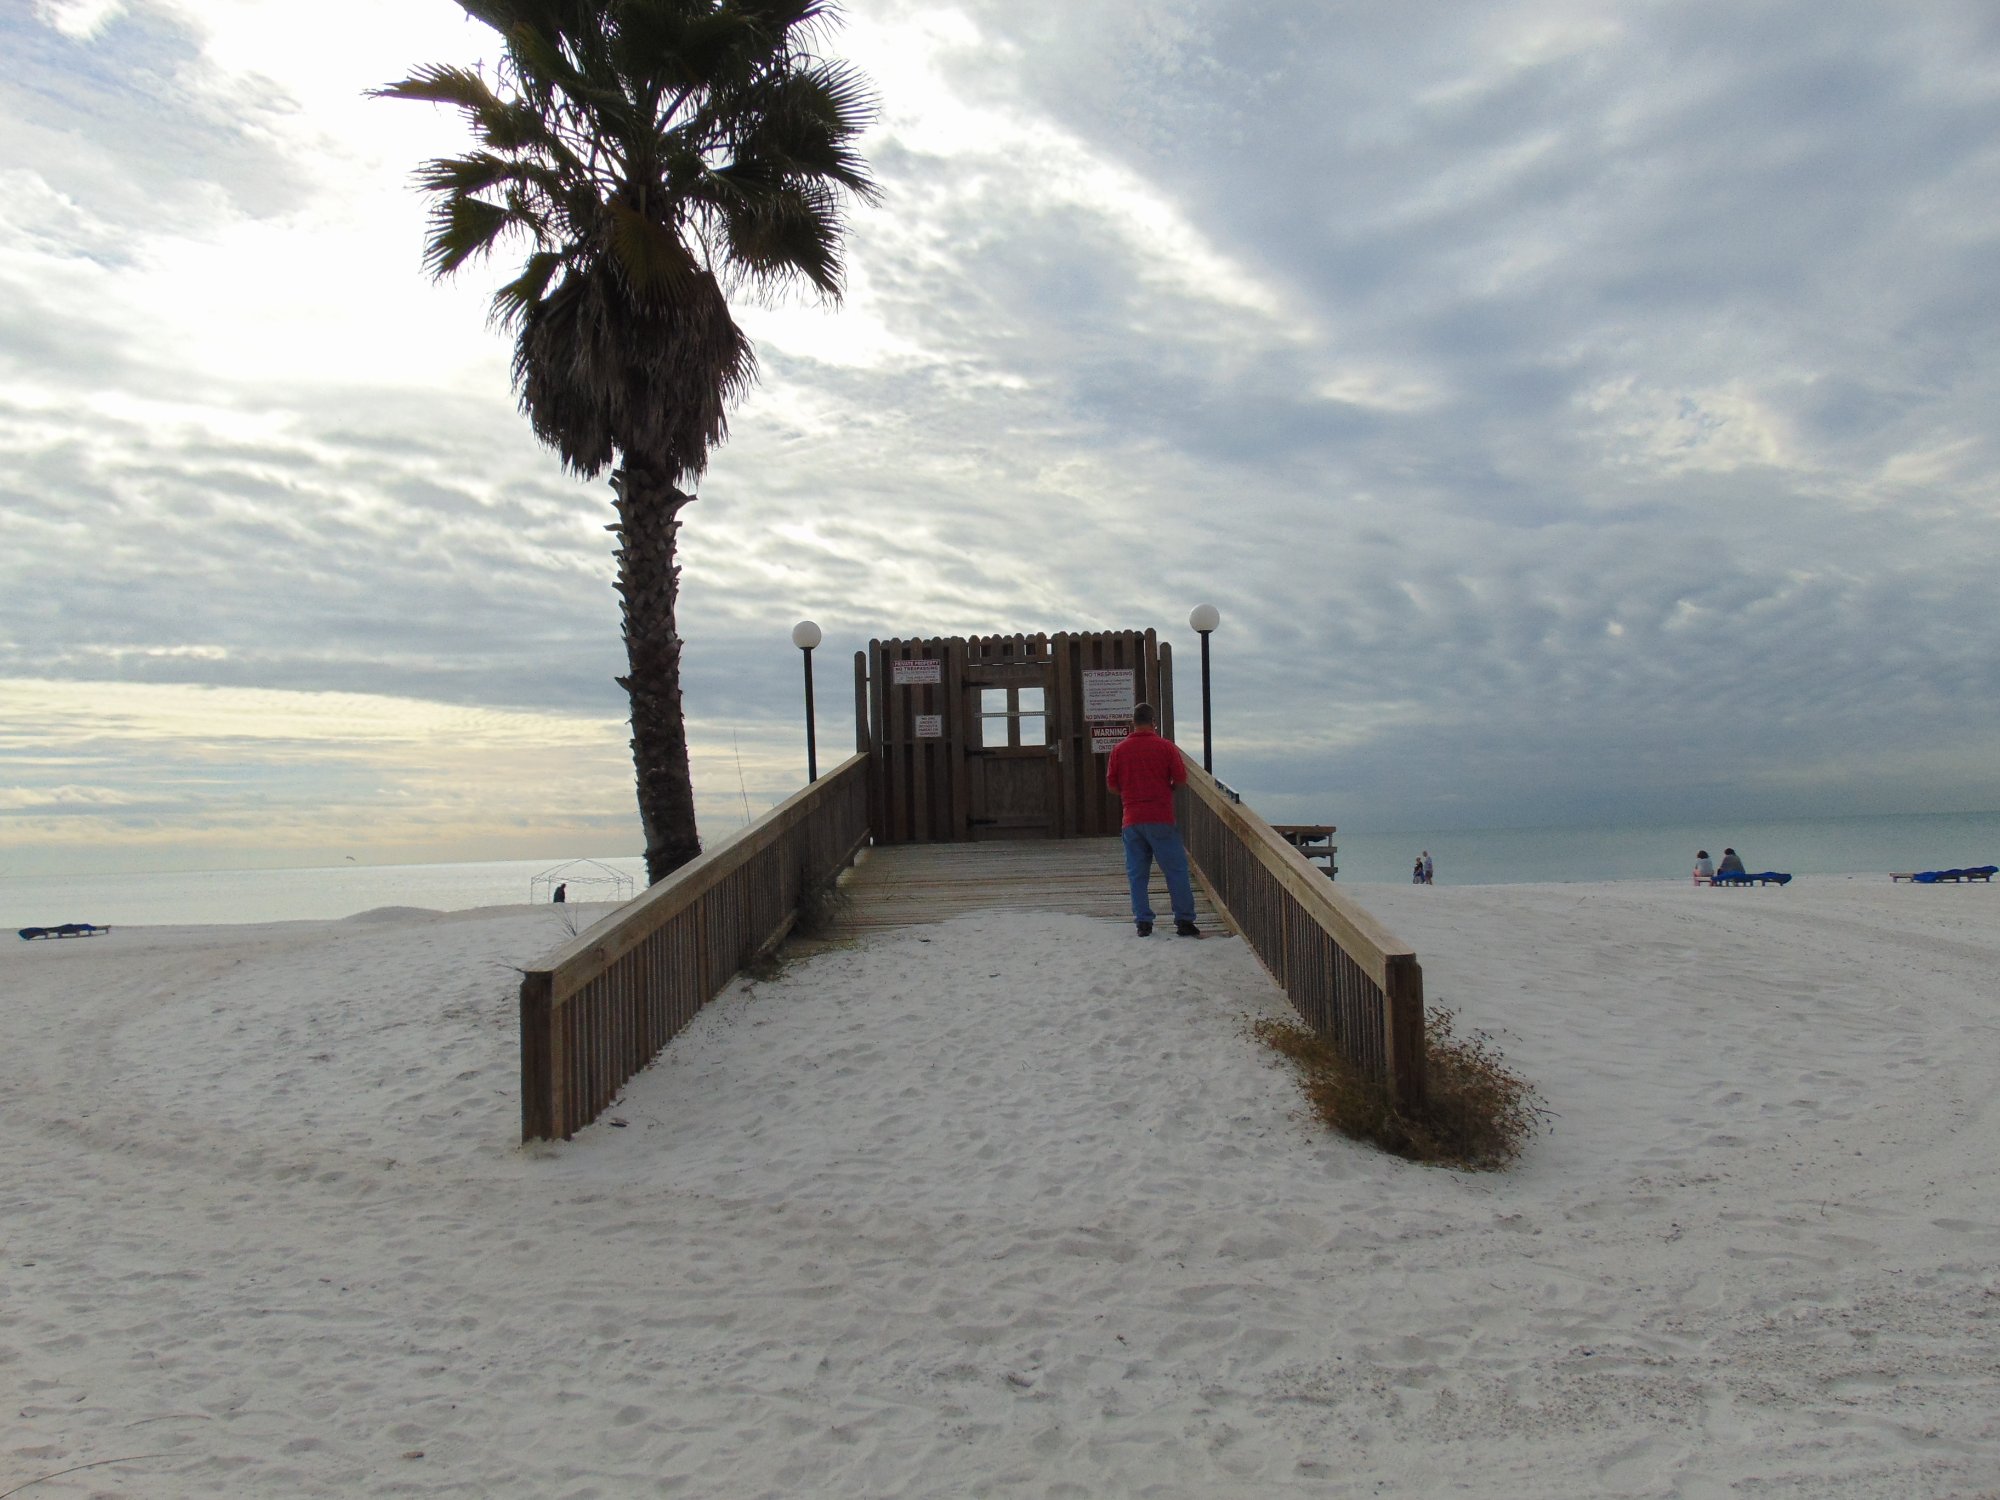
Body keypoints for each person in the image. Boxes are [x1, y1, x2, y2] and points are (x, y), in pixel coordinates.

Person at [1104, 703, 1201, 937]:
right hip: (1160, 817)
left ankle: (1143, 922)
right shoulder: (1165, 747)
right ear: (1153, 722)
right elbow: (1180, 779)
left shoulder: (1119, 749)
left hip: (1132, 819)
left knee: (1137, 873)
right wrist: (1166, 788)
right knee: (1176, 870)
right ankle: (1184, 921)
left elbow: (1112, 785)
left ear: (1133, 723)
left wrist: (1129, 793)